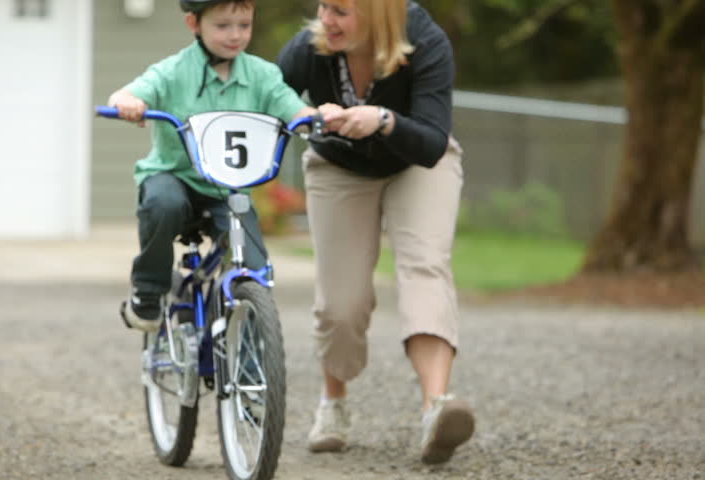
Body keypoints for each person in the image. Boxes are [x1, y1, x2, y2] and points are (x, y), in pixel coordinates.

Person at [277, 0, 475, 464]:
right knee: (341, 301)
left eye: (341, 11)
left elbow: (430, 140)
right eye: (323, 5)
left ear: (378, 13)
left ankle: (435, 409)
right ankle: (334, 404)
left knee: (425, 267)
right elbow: (261, 95)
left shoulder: (426, 42)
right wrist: (300, 113)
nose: (326, 19)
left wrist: (382, 120)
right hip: (338, 165)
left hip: (417, 160)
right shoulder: (310, 48)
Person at [108, 0, 315, 331]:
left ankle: (249, 355)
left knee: (254, 268)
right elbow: (128, 93)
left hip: (228, 186)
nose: (235, 35)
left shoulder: (263, 75)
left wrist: (313, 118)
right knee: (164, 202)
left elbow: (291, 106)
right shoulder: (173, 71)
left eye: (244, 25)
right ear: (194, 24)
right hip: (174, 176)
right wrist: (127, 103)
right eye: (223, 26)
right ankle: (147, 292)